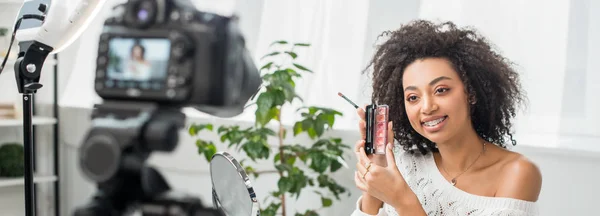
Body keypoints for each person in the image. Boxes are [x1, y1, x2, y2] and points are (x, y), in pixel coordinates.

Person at [351, 20, 542, 216]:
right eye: (413, 97)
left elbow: (403, 202)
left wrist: (404, 201)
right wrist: (376, 177)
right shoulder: (406, 166)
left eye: (441, 90)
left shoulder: (517, 173)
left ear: (471, 92)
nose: (427, 107)